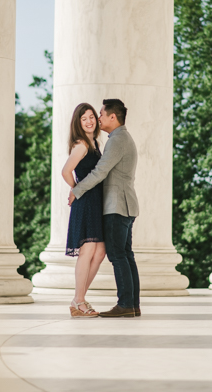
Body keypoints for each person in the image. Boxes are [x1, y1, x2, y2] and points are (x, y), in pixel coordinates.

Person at [69, 99, 139, 318]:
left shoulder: (117, 140)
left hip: (116, 205)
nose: (97, 119)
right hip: (123, 204)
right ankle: (132, 304)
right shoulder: (118, 139)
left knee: (118, 255)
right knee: (125, 255)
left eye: (99, 114)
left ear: (112, 117)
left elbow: (100, 172)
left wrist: (76, 190)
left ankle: (126, 304)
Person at [61, 103, 107, 317]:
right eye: (84, 119)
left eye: (91, 117)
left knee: (99, 252)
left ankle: (78, 299)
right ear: (78, 124)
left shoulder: (94, 142)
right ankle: (79, 301)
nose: (89, 121)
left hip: (95, 201)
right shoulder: (81, 145)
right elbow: (66, 171)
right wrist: (76, 189)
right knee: (88, 251)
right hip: (86, 202)